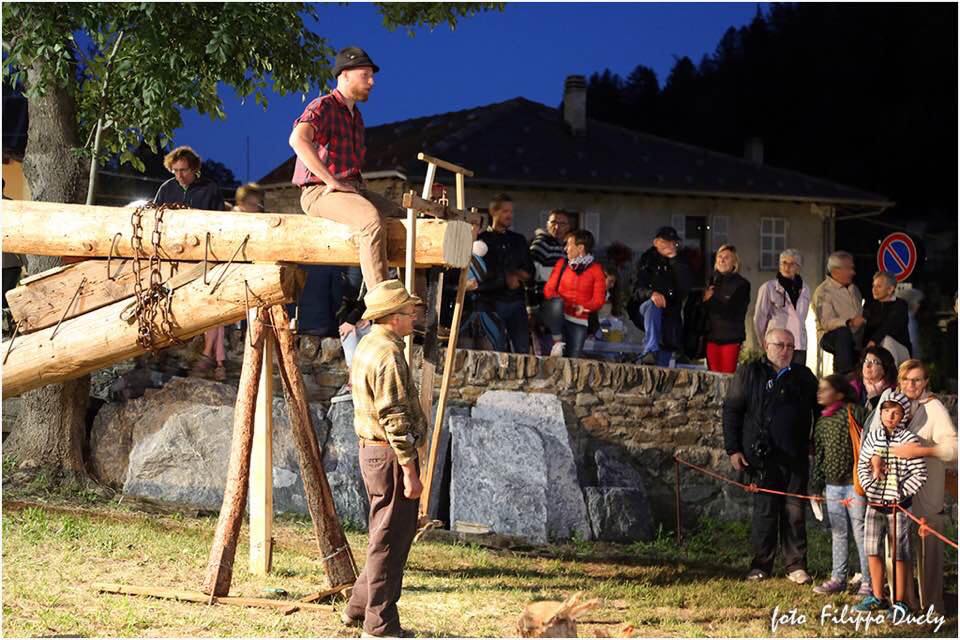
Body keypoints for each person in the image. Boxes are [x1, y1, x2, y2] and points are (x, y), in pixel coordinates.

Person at [340, 279, 426, 638]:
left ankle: (359, 607)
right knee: (391, 540)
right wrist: (410, 471)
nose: (413, 318)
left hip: (373, 451)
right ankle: (380, 625)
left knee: (383, 533)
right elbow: (394, 417)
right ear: (392, 317)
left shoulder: (367, 344)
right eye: (409, 312)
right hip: (389, 455)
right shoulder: (389, 354)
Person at [289, 46, 402, 291]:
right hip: (319, 193)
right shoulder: (323, 106)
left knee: (404, 218)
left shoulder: (356, 116)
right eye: (365, 75)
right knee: (370, 220)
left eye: (372, 76)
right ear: (345, 74)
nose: (372, 82)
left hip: (351, 190)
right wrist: (330, 180)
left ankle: (418, 309)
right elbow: (297, 140)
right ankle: (380, 300)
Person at [722, 328, 818, 584]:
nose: (785, 351)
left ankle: (796, 565)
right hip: (761, 458)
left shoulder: (804, 376)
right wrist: (733, 449)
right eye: (780, 345)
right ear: (766, 345)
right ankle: (761, 564)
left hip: (795, 456)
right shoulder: (749, 373)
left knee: (795, 511)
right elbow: (732, 410)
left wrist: (815, 442)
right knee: (765, 512)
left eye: (790, 346)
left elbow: (819, 411)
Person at [867, 360, 958, 616]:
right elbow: (874, 439)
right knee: (895, 554)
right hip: (894, 498)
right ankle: (903, 605)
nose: (911, 385)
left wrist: (921, 451)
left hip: (926, 500)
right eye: (906, 379)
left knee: (928, 560)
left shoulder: (934, 408)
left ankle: (932, 611)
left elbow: (954, 450)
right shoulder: (891, 405)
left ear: (926, 382)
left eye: (917, 380)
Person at [154, 145, 227, 380]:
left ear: (194, 169)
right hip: (173, 257)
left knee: (209, 304)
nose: (179, 175)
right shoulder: (166, 189)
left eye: (183, 170)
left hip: (203, 256)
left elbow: (220, 223)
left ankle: (210, 356)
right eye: (175, 170)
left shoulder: (210, 189)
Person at [854, 391, 927, 614]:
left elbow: (919, 474)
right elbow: (863, 466)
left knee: (900, 553)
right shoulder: (873, 437)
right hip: (874, 505)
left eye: (896, 412)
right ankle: (877, 595)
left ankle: (900, 600)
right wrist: (870, 487)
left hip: (899, 507)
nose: (890, 416)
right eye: (886, 411)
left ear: (903, 415)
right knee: (872, 549)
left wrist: (901, 493)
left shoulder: (909, 440)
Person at [809, 374, 870, 596]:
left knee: (860, 532)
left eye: (825, 389)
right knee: (839, 532)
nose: (819, 393)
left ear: (839, 393)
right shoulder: (822, 422)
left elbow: (872, 437)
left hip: (855, 485)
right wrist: (815, 487)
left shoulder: (855, 412)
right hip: (833, 487)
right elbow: (820, 457)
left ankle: (869, 581)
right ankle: (838, 578)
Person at [477, 194, 535, 353]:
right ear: (493, 212)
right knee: (496, 351)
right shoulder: (482, 241)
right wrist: (504, 279)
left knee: (522, 350)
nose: (509, 215)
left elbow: (530, 269)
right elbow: (481, 274)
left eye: (511, 211)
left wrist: (521, 276)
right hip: (492, 303)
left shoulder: (519, 240)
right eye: (505, 211)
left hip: (517, 303)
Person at [628, 226, 692, 366]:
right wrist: (651, 294)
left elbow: (684, 289)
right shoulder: (645, 262)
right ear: (656, 242)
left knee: (663, 367)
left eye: (672, 242)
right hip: (646, 309)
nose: (669, 246)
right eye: (665, 241)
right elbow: (635, 289)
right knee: (652, 305)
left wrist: (675, 261)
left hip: (669, 318)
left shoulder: (680, 263)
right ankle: (650, 348)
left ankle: (652, 352)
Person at [543, 229, 606, 359]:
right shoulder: (562, 264)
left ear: (580, 248)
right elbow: (548, 290)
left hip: (579, 320)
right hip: (559, 315)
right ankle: (557, 342)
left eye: (569, 244)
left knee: (573, 361)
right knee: (556, 303)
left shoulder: (596, 270)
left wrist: (584, 306)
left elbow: (599, 300)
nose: (565, 248)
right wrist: (564, 303)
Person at [754, 248, 810, 366]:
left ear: (798, 268)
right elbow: (759, 318)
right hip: (777, 343)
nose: (787, 267)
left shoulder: (805, 289)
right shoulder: (768, 288)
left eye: (791, 264)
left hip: (798, 344)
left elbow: (802, 317)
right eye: (784, 263)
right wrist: (764, 342)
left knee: (797, 379)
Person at [460, 215, 508, 352]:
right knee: (463, 357)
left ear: (479, 228)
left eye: (474, 225)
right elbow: (445, 284)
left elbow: (500, 280)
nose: (470, 228)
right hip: (463, 311)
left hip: (488, 309)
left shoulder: (491, 251)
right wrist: (462, 288)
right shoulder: (455, 252)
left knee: (488, 356)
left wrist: (477, 287)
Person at [529, 209, 573, 354]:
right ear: (547, 225)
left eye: (562, 223)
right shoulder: (541, 245)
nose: (557, 227)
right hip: (544, 307)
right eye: (554, 222)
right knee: (546, 353)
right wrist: (532, 308)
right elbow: (530, 277)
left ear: (568, 227)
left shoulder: (566, 249)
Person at [813, 251, 864, 375]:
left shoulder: (854, 289)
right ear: (836, 271)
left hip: (855, 337)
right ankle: (842, 376)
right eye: (849, 268)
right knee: (843, 333)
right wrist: (848, 322)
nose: (853, 272)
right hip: (832, 336)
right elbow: (826, 322)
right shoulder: (823, 292)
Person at [702, 245, 751, 373]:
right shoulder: (711, 281)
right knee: (713, 377)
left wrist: (710, 300)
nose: (722, 260)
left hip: (730, 337)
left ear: (734, 262)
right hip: (711, 336)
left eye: (727, 258)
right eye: (720, 257)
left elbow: (733, 311)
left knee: (727, 378)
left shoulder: (742, 284)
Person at [862, 271, 911, 365]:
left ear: (890, 289)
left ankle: (891, 376)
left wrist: (874, 341)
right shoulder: (870, 306)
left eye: (879, 286)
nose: (874, 289)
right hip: (874, 349)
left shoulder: (900, 305)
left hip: (899, 350)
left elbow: (890, 325)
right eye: (873, 286)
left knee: (887, 340)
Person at [849, 346, 897, 415]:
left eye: (874, 362)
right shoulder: (852, 387)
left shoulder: (893, 392)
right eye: (865, 361)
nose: (868, 365)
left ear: (884, 369)